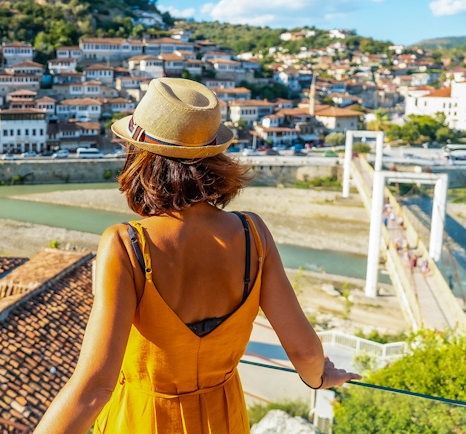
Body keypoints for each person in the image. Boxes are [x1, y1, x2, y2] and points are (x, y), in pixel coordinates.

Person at [35, 78, 360, 434]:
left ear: (139, 157)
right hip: (224, 419)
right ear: (213, 157)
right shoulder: (253, 235)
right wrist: (320, 378)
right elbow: (305, 353)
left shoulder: (126, 245)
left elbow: (95, 388)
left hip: (143, 421)